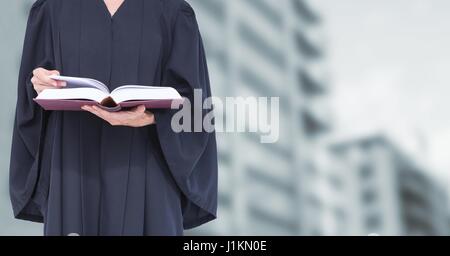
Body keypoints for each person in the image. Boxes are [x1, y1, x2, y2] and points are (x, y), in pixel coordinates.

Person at [9, 0, 218, 236]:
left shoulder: (174, 11)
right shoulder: (51, 9)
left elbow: (197, 110)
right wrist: (38, 83)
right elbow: (31, 96)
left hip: (148, 172)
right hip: (72, 168)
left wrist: (151, 117)